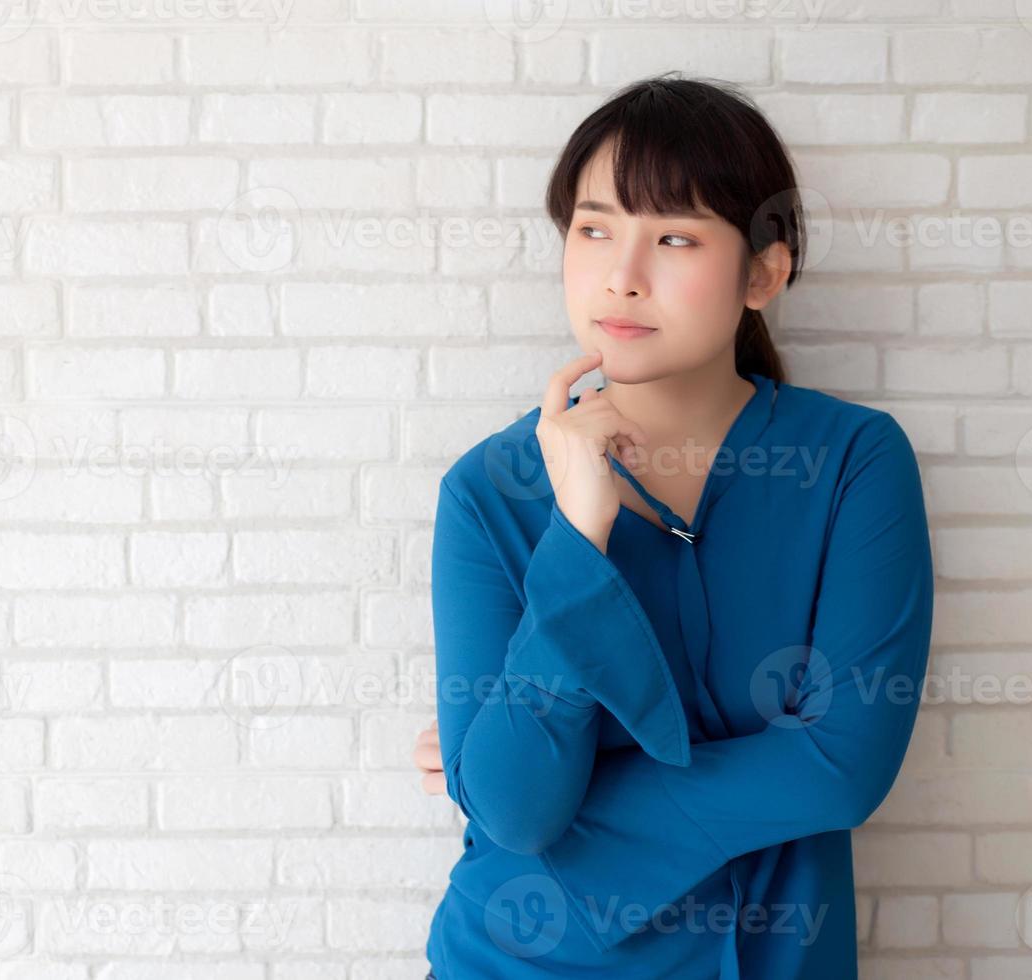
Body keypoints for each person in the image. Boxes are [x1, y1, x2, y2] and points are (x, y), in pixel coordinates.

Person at [412, 73, 934, 979]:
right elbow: (518, 813)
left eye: (676, 237)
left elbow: (843, 765)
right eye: (594, 228)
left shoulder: (852, 462)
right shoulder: (487, 493)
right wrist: (577, 534)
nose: (622, 274)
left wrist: (525, 789)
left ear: (763, 271)